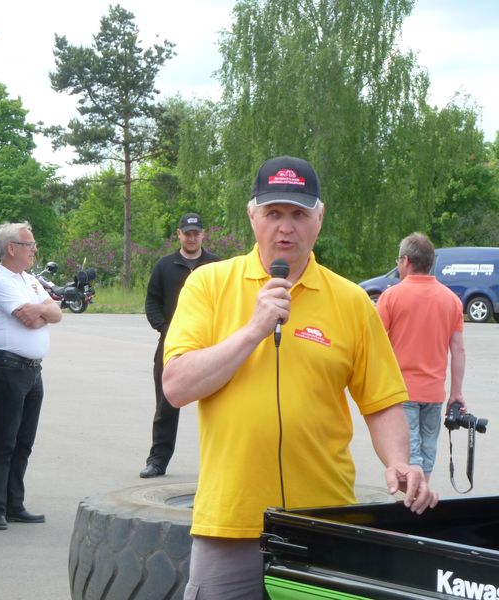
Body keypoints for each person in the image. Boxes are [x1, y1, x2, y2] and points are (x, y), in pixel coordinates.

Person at [161, 156, 438, 599]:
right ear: (252, 216)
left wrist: (398, 461)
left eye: (299, 214)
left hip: (324, 521)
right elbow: (177, 386)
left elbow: (382, 401)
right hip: (230, 522)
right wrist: (254, 329)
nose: (285, 228)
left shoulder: (351, 301)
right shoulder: (208, 285)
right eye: (273, 213)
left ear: (319, 218)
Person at [0, 222, 62, 530]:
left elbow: (56, 312)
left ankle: (15, 504)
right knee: (5, 439)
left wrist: (43, 311)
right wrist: (43, 313)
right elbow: (29, 319)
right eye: (29, 245)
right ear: (11, 248)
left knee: (24, 441)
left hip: (32, 370)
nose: (34, 250)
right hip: (8, 369)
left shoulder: (30, 280)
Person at [377, 232, 465, 482]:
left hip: (401, 391)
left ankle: (413, 501)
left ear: (406, 261)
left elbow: (375, 345)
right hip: (434, 393)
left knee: (408, 457)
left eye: (398, 261)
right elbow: (458, 350)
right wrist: (456, 393)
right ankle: (421, 496)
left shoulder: (390, 297)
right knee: (426, 453)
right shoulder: (451, 300)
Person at [140, 212, 219, 478]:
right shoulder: (165, 266)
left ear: (203, 235)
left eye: (196, 233)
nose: (192, 238)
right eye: (187, 234)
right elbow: (152, 302)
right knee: (166, 405)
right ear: (179, 234)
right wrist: (166, 329)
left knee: (220, 405)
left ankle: (221, 465)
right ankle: (157, 461)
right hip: (171, 345)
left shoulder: (216, 266)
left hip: (211, 346)